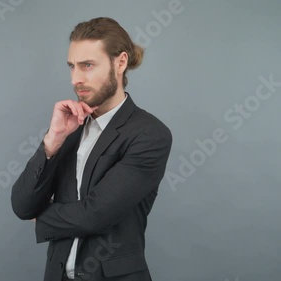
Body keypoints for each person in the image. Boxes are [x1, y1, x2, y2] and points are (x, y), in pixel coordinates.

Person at [11, 17, 172, 281]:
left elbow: (95, 215)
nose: (76, 79)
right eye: (72, 66)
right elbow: (22, 206)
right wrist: (52, 141)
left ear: (120, 63)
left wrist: (42, 219)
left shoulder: (150, 134)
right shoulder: (70, 128)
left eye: (87, 65)